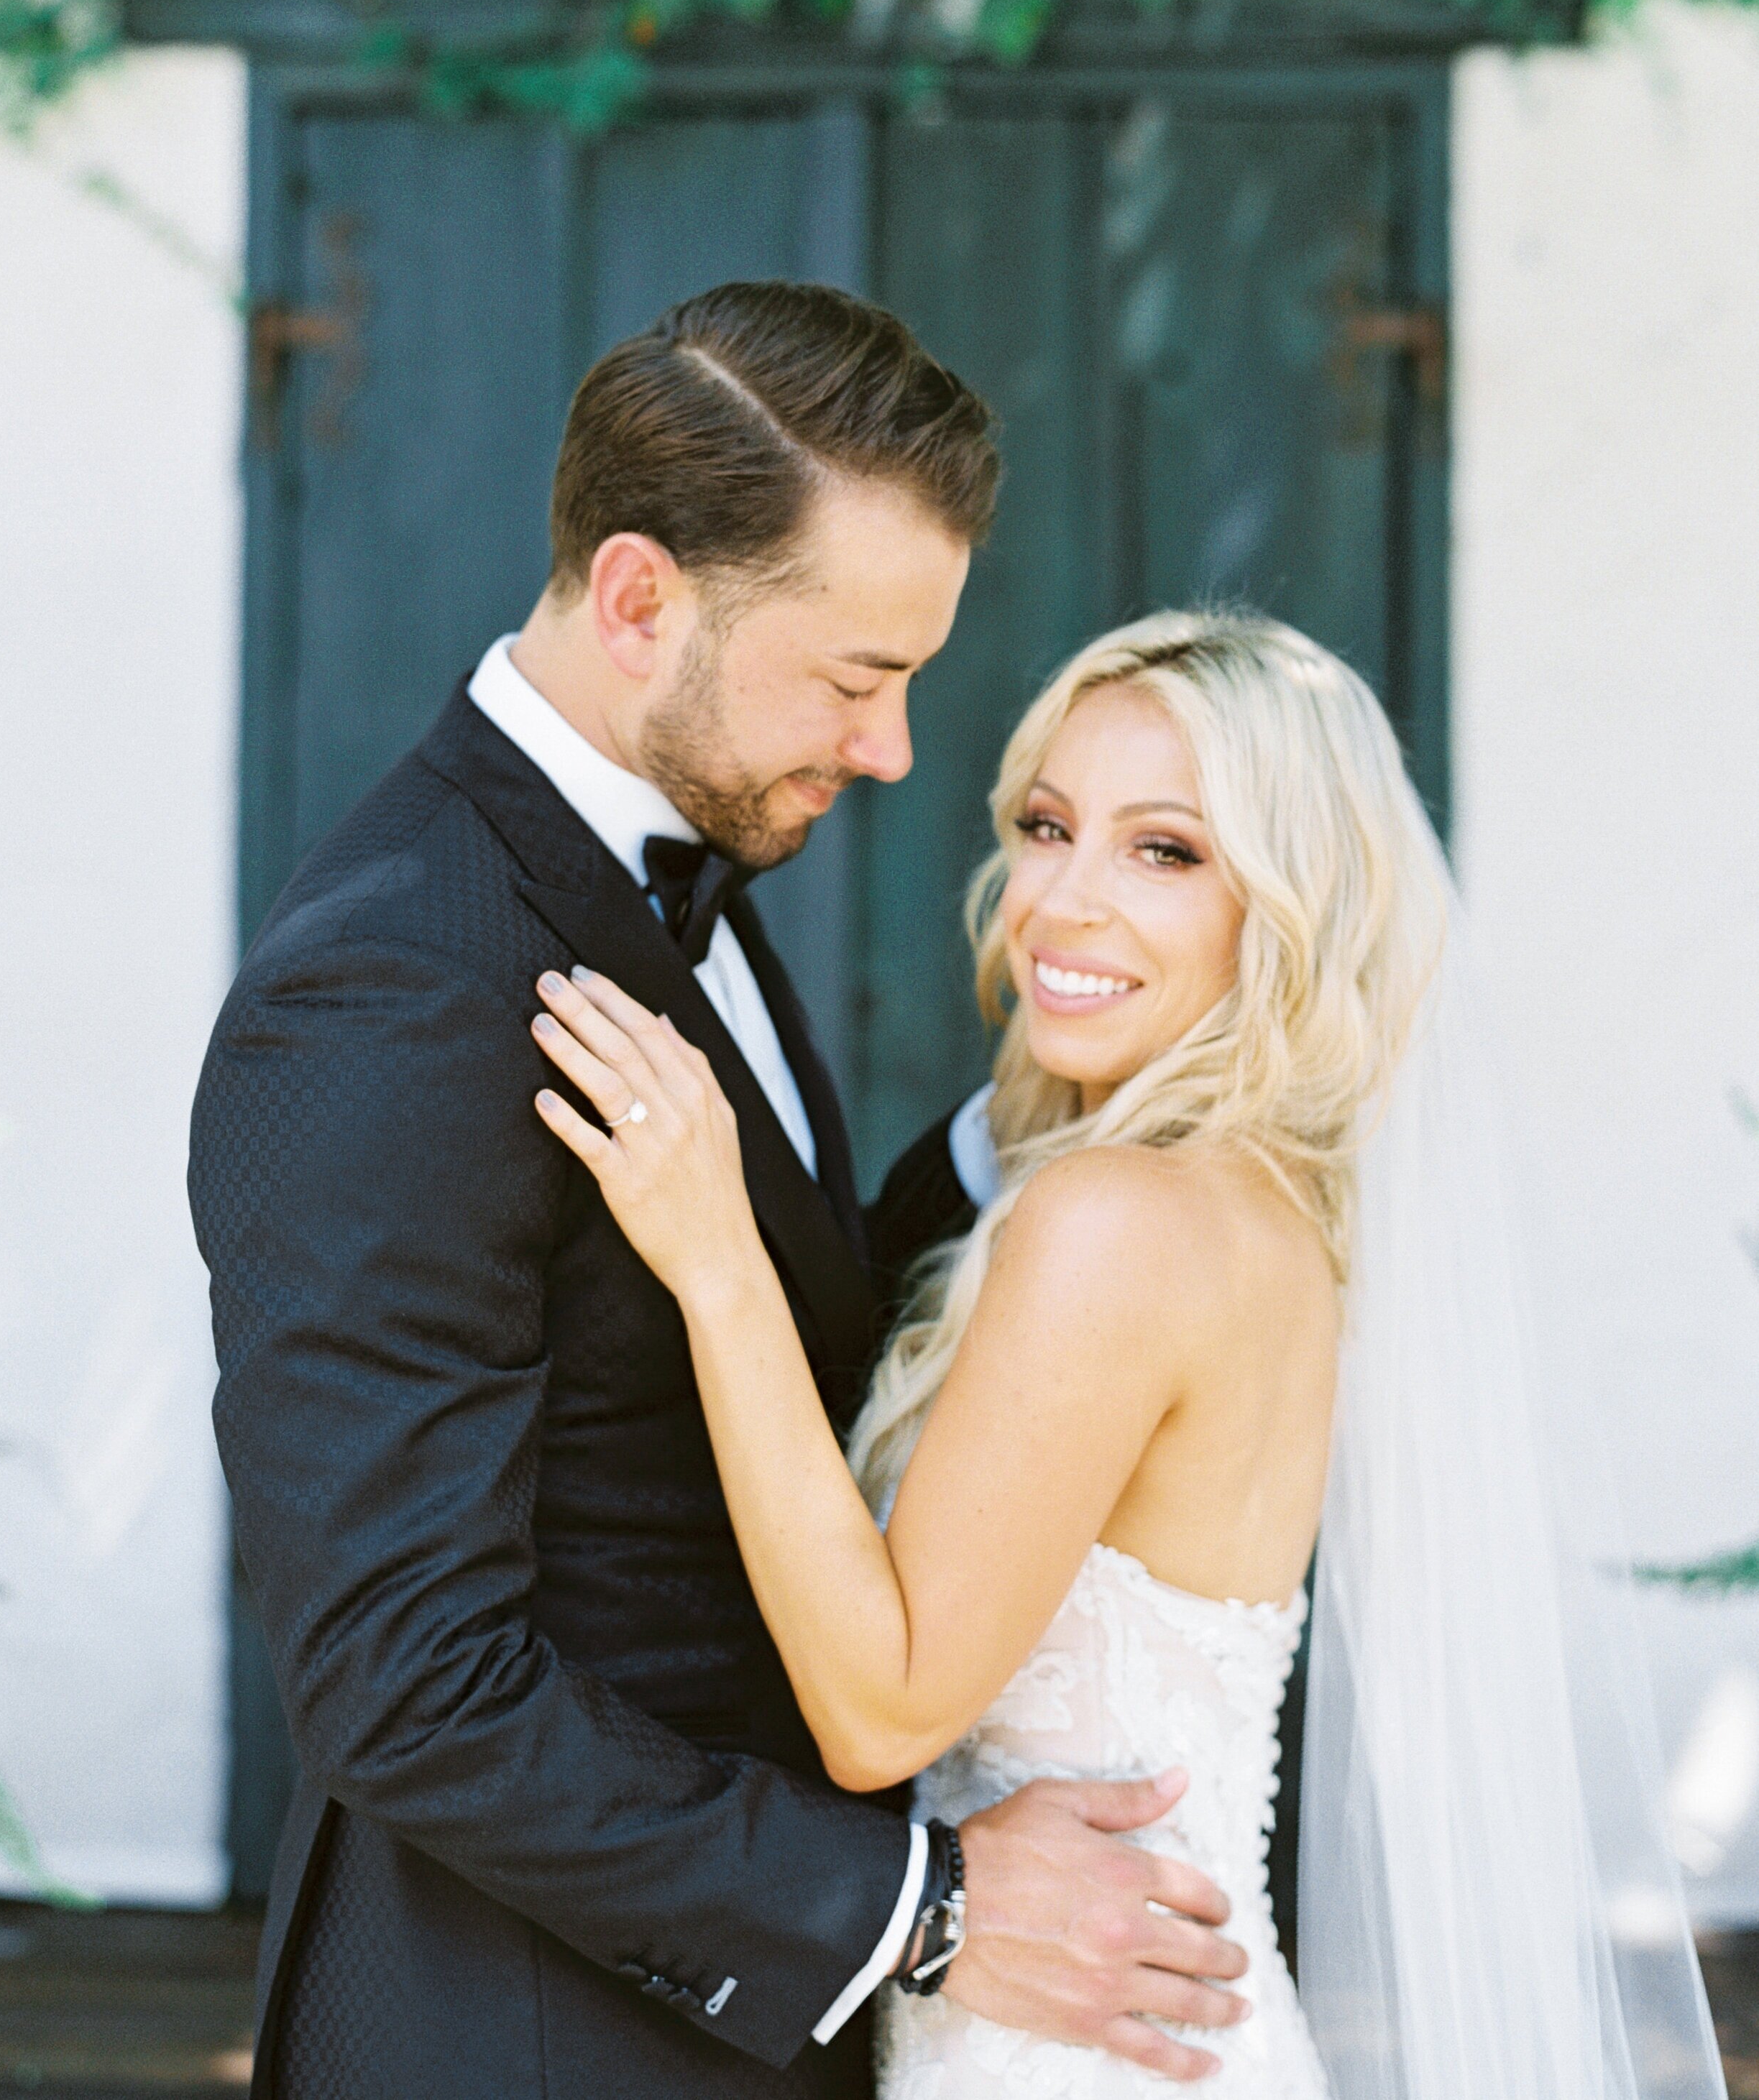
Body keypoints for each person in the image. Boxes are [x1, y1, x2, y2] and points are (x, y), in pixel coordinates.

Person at [189, 284, 1249, 2100]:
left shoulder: (666, 860)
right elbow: (400, 1679)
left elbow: (783, 1321)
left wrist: (1043, 1124)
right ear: (635, 599)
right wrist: (915, 1910)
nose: (894, 748)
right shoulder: (384, 986)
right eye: (856, 677)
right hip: (520, 2030)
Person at [527, 610, 1730, 2099]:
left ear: (1285, 906)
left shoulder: (1121, 1225)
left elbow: (883, 1708)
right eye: (1045, 827)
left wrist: (713, 1255)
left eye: (1162, 852)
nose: (1058, 903)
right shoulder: (1264, 1211)